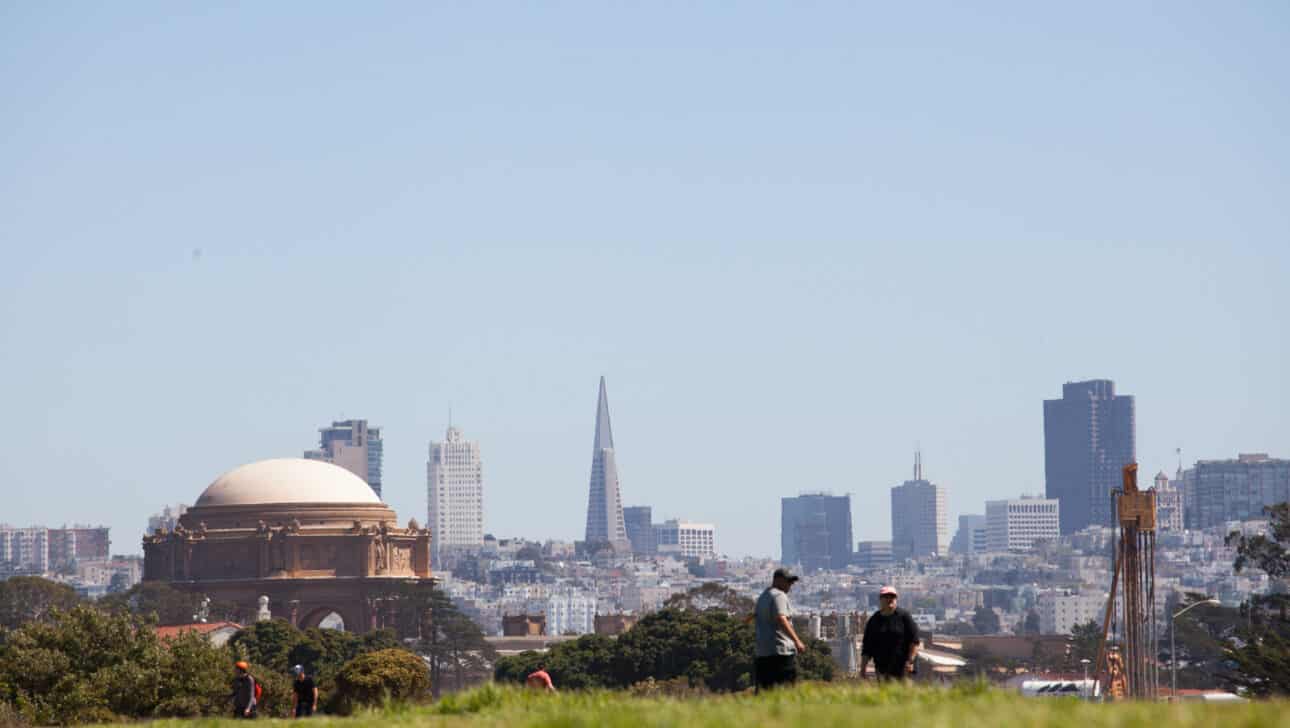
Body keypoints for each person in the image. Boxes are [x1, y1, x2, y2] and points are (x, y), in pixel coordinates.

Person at [752, 567, 807, 693]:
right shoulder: (779, 595)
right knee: (785, 691)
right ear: (777, 580)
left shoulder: (763, 596)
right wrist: (797, 641)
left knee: (764, 693)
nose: (790, 585)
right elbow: (782, 619)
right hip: (780, 652)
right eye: (788, 582)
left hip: (762, 653)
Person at [860, 586, 921, 682]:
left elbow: (914, 641)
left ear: (896, 599)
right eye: (886, 597)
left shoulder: (904, 617)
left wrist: (910, 661)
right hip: (882, 669)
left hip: (903, 669)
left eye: (892, 597)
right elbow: (867, 647)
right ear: (880, 600)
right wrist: (863, 668)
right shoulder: (874, 620)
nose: (889, 599)